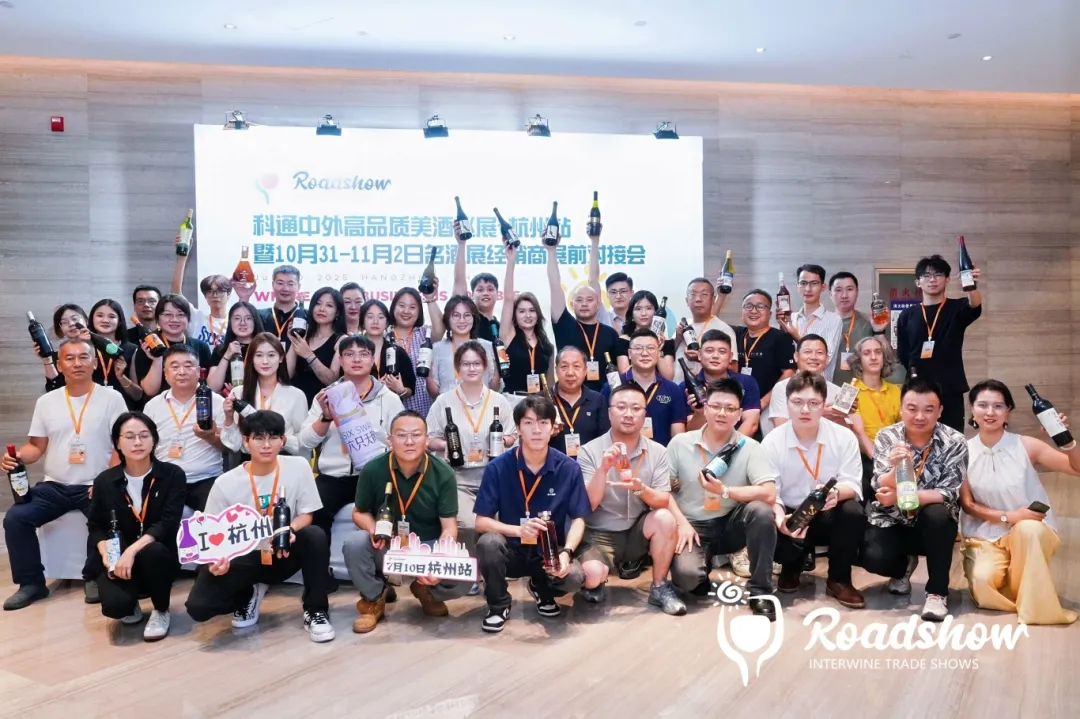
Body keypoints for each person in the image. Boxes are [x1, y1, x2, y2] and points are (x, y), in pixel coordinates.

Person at [185, 410, 334, 642]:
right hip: (244, 558)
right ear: (246, 441)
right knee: (198, 608)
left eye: (273, 437)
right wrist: (217, 561)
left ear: (282, 440)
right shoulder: (225, 483)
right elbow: (211, 534)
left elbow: (307, 514)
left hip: (283, 550)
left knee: (315, 535)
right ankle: (248, 594)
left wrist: (290, 529)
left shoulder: (298, 467)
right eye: (258, 438)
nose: (266, 445)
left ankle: (316, 610)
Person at [2, 338, 128, 609]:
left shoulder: (112, 398)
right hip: (54, 486)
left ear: (95, 363)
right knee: (16, 518)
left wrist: (105, 482)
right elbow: (36, 446)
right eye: (69, 358)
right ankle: (31, 584)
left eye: (83, 357)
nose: (77, 363)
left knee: (106, 516)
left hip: (95, 483)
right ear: (59, 365)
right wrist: (17, 457)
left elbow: (121, 445)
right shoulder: (46, 402)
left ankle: (94, 576)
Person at [960, 380, 1080, 625]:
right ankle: (1025, 586)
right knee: (983, 583)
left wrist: (1066, 442)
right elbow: (968, 505)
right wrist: (1008, 516)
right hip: (985, 534)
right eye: (983, 405)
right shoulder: (962, 451)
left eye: (998, 406)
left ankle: (1037, 608)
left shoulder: (1025, 445)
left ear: (1008, 411)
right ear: (972, 409)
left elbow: (1076, 469)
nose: (990, 412)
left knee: (1028, 529)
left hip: (1031, 529)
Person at [343, 410, 470, 633]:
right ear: (389, 439)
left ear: (427, 439)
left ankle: (426, 590)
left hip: (426, 546)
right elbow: (359, 512)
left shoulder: (443, 473)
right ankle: (374, 598)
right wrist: (372, 528)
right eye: (401, 435)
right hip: (387, 543)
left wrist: (440, 557)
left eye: (416, 435)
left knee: (463, 571)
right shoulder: (373, 469)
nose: (409, 442)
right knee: (355, 543)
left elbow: (449, 527)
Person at [473, 395, 589, 633]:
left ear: (553, 428)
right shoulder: (498, 467)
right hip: (512, 550)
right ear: (518, 428)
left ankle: (543, 590)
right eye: (528, 423)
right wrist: (518, 530)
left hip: (548, 553)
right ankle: (498, 605)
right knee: (488, 543)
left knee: (574, 577)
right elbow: (481, 522)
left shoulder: (569, 468)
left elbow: (579, 518)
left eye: (543, 422)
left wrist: (566, 553)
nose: (536, 430)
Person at [666, 378, 778, 620]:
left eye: (730, 408)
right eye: (716, 406)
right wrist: (681, 523)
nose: (722, 413)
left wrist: (725, 491)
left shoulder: (750, 447)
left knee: (761, 511)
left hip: (730, 523)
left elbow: (769, 493)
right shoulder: (680, 443)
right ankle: (701, 570)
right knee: (687, 579)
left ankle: (761, 591)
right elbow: (664, 490)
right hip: (693, 525)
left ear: (739, 414)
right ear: (705, 408)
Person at [861, 377, 968, 622]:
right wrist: (895, 467)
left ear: (940, 411)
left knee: (938, 514)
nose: (920, 416)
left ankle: (937, 593)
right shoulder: (887, 436)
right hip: (893, 518)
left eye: (928, 410)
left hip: (932, 521)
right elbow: (879, 483)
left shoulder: (954, 441)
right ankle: (903, 567)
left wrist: (904, 497)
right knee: (873, 556)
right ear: (901, 409)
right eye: (912, 409)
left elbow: (950, 492)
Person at [577, 385, 686, 615]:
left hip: (637, 531)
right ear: (609, 412)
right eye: (621, 407)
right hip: (599, 534)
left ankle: (659, 587)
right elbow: (589, 504)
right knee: (592, 574)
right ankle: (596, 581)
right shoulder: (589, 451)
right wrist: (603, 469)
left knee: (665, 518)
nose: (628, 414)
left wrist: (641, 490)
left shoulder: (658, 451)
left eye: (636, 408)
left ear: (645, 415)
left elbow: (662, 500)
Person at [761, 371, 866, 608]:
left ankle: (839, 579)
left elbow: (853, 483)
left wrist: (836, 493)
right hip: (790, 512)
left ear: (824, 404)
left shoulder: (844, 437)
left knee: (853, 511)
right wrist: (781, 519)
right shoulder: (772, 442)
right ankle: (791, 567)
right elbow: (770, 492)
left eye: (813, 403)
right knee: (764, 516)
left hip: (828, 510)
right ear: (787, 404)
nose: (805, 410)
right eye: (797, 402)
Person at [299, 334, 405, 560]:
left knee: (390, 512)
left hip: (374, 475)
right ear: (340, 359)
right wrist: (325, 418)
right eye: (349, 354)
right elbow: (305, 442)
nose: (356, 359)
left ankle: (383, 571)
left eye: (363, 354)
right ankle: (320, 574)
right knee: (314, 516)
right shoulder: (325, 396)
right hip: (333, 476)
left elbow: (401, 440)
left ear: (373, 359)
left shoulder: (389, 398)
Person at [88, 413, 186, 640]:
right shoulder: (104, 481)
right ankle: (130, 601)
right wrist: (106, 554)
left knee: (154, 551)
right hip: (118, 556)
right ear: (118, 443)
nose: (138, 442)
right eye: (130, 436)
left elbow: (167, 523)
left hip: (158, 556)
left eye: (144, 435)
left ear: (154, 440)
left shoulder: (172, 475)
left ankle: (161, 610)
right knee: (116, 607)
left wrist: (132, 551)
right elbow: (95, 525)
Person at [427, 342, 516, 536]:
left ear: (485, 366)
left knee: (500, 526)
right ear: (457, 368)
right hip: (457, 478)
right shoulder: (443, 401)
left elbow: (512, 435)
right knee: (470, 525)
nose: (472, 368)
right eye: (466, 364)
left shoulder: (499, 401)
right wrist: (444, 445)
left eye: (477, 363)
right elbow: (429, 439)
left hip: (493, 477)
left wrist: (503, 441)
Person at [895, 254, 983, 432]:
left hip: (950, 388)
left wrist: (971, 285)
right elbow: (903, 354)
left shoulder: (957, 308)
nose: (932, 280)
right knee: (917, 437)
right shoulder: (907, 315)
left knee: (951, 438)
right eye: (927, 275)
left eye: (938, 275)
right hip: (916, 388)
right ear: (918, 282)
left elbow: (974, 305)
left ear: (948, 279)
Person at [142, 344, 226, 512]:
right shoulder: (152, 406)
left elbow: (228, 447)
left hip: (206, 480)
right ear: (165, 374)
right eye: (174, 367)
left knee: (214, 523)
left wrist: (210, 437)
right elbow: (146, 447)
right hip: (165, 480)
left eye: (188, 366)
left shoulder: (217, 402)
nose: (181, 372)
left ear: (199, 371)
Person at [547, 241, 621, 393]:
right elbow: (555, 286)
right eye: (579, 300)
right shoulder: (564, 325)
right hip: (569, 396)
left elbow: (619, 370)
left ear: (598, 303)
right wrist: (551, 251)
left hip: (603, 398)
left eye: (589, 300)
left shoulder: (610, 333)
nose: (584, 304)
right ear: (572, 304)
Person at [221, 332, 307, 458]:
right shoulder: (238, 393)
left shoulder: (296, 395)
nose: (265, 361)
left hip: (283, 461)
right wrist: (229, 417)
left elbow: (303, 443)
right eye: (259, 355)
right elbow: (234, 445)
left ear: (281, 358)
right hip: (249, 462)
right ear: (251, 359)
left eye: (271, 355)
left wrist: (281, 439)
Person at [603, 328, 687, 447]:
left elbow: (677, 436)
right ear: (629, 354)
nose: (645, 353)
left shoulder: (673, 390)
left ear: (658, 353)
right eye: (638, 348)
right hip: (622, 455)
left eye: (650, 348)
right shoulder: (614, 387)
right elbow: (604, 429)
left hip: (661, 456)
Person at [731, 289, 796, 436]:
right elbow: (712, 321)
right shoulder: (736, 334)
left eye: (760, 306)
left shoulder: (780, 337)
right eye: (748, 306)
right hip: (737, 407)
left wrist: (763, 402)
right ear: (742, 311)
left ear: (769, 314)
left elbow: (789, 372)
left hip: (767, 408)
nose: (754, 310)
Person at [848, 336, 902, 501]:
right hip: (864, 458)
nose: (873, 357)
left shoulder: (896, 391)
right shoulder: (849, 392)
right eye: (867, 353)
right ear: (858, 360)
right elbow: (858, 434)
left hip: (893, 455)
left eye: (878, 352)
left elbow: (904, 430)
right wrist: (881, 462)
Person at [827, 272, 903, 386]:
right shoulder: (823, 323)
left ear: (857, 292)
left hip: (863, 391)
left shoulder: (869, 323)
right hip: (827, 389)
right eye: (838, 290)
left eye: (849, 289)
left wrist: (879, 331)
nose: (844, 295)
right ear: (830, 294)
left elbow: (889, 360)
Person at [682, 329, 761, 438]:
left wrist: (731, 446)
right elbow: (691, 432)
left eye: (722, 351)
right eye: (709, 351)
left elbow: (751, 423)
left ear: (730, 357)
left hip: (738, 444)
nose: (715, 356)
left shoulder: (746, 382)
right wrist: (699, 412)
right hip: (701, 446)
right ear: (699, 355)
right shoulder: (685, 387)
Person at [499, 244, 555, 395]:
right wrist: (511, 261)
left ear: (538, 314)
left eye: (532, 310)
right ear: (515, 315)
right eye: (522, 311)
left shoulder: (547, 345)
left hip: (539, 402)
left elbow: (550, 384)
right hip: (513, 400)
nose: (528, 315)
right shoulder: (508, 335)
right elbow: (508, 299)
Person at [135, 294, 214, 398]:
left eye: (180, 315)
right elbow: (150, 391)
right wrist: (157, 360)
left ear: (188, 319)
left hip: (193, 404)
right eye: (168, 314)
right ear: (157, 318)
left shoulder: (201, 346)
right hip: (160, 405)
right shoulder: (148, 346)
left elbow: (208, 385)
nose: (174, 320)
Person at [777, 264, 844, 381]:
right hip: (792, 386)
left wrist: (796, 336)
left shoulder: (833, 319)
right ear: (797, 286)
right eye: (803, 283)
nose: (808, 289)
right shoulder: (792, 318)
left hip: (818, 386)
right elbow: (783, 358)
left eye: (814, 283)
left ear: (823, 287)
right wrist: (781, 327)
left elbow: (826, 359)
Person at [389, 286, 445, 417]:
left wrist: (430, 298)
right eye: (401, 305)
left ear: (419, 311)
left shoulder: (425, 334)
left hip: (425, 406)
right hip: (394, 409)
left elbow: (440, 329)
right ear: (393, 308)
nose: (406, 311)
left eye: (412, 307)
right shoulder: (385, 337)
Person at [767, 334, 842, 430]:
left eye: (819, 353)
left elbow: (843, 432)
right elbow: (781, 428)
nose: (813, 357)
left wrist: (842, 415)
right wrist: (820, 413)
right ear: (796, 356)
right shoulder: (782, 387)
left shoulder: (838, 392)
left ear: (827, 359)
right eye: (807, 352)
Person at [428, 295, 498, 397]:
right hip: (448, 405)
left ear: (474, 318)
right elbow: (434, 392)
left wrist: (499, 365)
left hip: (482, 404)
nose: (462, 320)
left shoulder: (487, 346)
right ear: (447, 319)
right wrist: (427, 371)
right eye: (456, 315)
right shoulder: (437, 348)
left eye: (467, 315)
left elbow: (494, 388)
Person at [288, 286, 345, 405]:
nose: (322, 309)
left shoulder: (341, 340)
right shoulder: (305, 335)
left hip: (323, 407)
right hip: (296, 404)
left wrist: (308, 354)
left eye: (329, 305)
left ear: (337, 312)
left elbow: (331, 380)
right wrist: (295, 339)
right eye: (318, 304)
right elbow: (287, 374)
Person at [171, 236, 233, 347]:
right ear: (205, 296)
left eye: (219, 291)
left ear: (228, 294)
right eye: (210, 291)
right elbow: (176, 294)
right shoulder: (197, 318)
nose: (215, 295)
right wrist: (181, 258)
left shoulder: (235, 322)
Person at [674, 277, 736, 383]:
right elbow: (668, 359)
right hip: (678, 388)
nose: (698, 299)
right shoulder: (683, 326)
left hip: (707, 390)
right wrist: (677, 339)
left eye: (704, 294)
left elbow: (734, 369)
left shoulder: (724, 329)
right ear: (687, 301)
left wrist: (700, 358)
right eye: (693, 294)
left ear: (713, 299)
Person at [549, 346, 609, 457]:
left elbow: (605, 439)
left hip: (589, 464)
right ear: (556, 370)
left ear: (585, 370)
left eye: (576, 366)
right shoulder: (542, 400)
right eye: (564, 366)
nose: (570, 372)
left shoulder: (597, 400)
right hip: (553, 464)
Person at [87, 299, 142, 407]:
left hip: (122, 410)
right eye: (100, 316)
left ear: (120, 321)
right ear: (92, 319)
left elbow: (138, 395)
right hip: (89, 408)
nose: (105, 320)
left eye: (111, 316)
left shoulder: (131, 349)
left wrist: (122, 377)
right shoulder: (85, 348)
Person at [453, 220, 501, 342]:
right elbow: (459, 280)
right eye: (480, 290)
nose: (485, 293)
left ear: (498, 294)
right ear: (472, 295)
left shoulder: (500, 327)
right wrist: (461, 244)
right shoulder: (468, 319)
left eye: (490, 289)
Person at [359, 299, 415, 403]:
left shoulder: (398, 352)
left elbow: (410, 389)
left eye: (380, 317)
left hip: (390, 408)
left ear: (387, 322)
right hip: (359, 408)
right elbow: (344, 384)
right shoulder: (353, 352)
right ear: (362, 322)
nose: (375, 321)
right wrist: (374, 387)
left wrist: (401, 390)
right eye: (370, 317)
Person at [614, 290, 676, 380]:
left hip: (659, 387)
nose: (643, 313)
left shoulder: (666, 341)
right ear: (631, 313)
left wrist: (657, 349)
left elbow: (668, 377)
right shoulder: (623, 340)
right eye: (638, 309)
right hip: (632, 387)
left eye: (648, 308)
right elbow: (624, 374)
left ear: (656, 312)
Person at [206, 301, 265, 392]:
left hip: (260, 399)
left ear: (255, 321)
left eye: (248, 318)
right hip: (227, 400)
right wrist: (227, 355)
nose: (242, 323)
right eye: (237, 318)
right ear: (230, 322)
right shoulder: (220, 350)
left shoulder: (264, 348)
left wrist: (240, 392)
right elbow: (213, 387)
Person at [588, 223, 632, 334]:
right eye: (613, 292)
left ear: (632, 293)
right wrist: (595, 241)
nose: (618, 296)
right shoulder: (603, 316)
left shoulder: (642, 318)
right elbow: (593, 281)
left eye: (623, 291)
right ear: (607, 295)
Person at [38, 303, 90, 392]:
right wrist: (47, 360)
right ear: (60, 329)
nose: (71, 324)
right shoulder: (57, 357)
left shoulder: (102, 349)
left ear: (86, 320)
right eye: (64, 322)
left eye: (74, 318)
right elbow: (53, 390)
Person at [259, 264, 303, 346]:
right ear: (273, 285)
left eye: (291, 284)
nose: (285, 288)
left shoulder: (306, 317)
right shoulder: (260, 316)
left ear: (298, 286)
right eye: (280, 283)